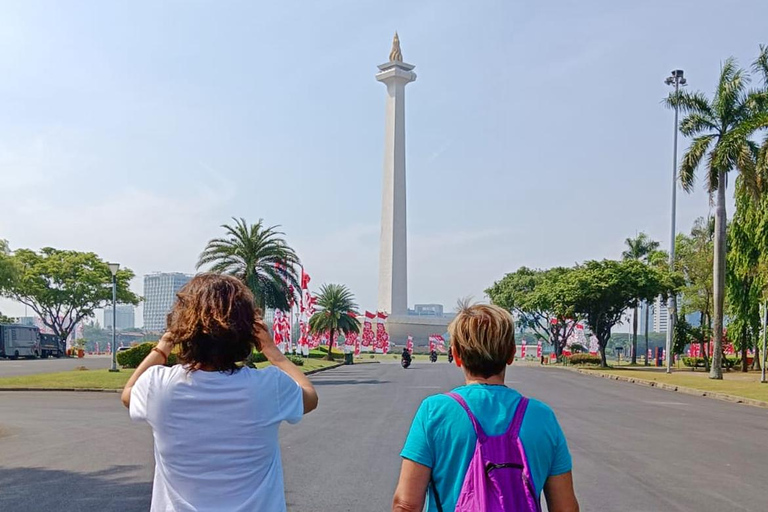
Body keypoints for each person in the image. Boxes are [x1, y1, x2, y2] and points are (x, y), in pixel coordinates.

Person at [121, 273, 318, 512]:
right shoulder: (269, 386)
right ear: (248, 331)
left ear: (183, 328)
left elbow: (128, 393)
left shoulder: (158, 385)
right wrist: (271, 350)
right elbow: (309, 395)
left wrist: (163, 346)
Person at [392, 304, 578, 512]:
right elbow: (565, 508)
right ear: (511, 354)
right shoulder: (542, 417)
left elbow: (406, 504)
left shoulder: (434, 411)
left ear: (456, 354)